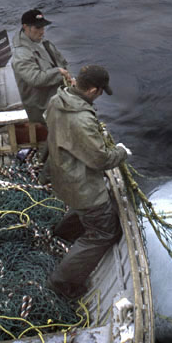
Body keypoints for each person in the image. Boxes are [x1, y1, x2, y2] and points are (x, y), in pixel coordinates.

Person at [44, 64, 131, 300]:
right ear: (92, 90)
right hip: (83, 187)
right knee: (103, 232)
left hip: (62, 178)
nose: (101, 95)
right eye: (101, 91)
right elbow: (100, 159)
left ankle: (62, 234)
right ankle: (61, 283)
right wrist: (121, 152)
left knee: (83, 210)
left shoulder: (57, 100)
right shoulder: (82, 119)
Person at [11, 8, 73, 125]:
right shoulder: (21, 54)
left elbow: (63, 64)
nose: (42, 32)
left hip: (58, 98)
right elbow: (35, 79)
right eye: (37, 28)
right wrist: (59, 73)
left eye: (43, 27)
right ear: (25, 27)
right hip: (42, 107)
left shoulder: (45, 43)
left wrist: (70, 78)